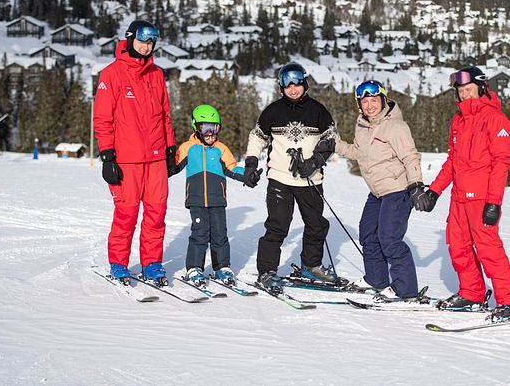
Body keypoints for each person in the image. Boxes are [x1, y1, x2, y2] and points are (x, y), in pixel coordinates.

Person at [423, 66, 510, 321]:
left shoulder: (495, 119)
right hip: (458, 198)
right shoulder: (458, 120)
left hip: (481, 199)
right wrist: (435, 191)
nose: (465, 95)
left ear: (481, 88)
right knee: (458, 247)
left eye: (468, 89)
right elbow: (452, 161)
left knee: (489, 249)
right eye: (460, 91)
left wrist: (494, 203)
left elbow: (501, 163)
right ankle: (472, 293)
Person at [93, 20, 177, 285]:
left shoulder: (156, 74)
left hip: (155, 159)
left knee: (156, 213)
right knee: (126, 213)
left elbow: (164, 115)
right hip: (126, 160)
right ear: (130, 40)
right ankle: (119, 263)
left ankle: (152, 263)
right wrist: (107, 156)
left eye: (150, 43)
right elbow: (102, 119)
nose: (146, 46)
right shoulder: (112, 74)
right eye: (142, 41)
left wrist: (170, 148)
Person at [244, 62, 336, 294]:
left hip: (311, 179)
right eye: (288, 84)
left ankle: (311, 266)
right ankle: (267, 271)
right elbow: (257, 137)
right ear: (281, 87)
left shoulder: (318, 111)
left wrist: (314, 161)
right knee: (277, 226)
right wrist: (251, 162)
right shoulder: (273, 111)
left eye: (298, 83)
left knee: (316, 225)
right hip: (280, 179)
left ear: (305, 84)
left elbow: (331, 138)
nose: (293, 89)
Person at [335, 80, 427, 302]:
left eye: (374, 100)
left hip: (398, 189)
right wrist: (335, 144)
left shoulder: (395, 126)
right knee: (367, 234)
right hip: (377, 192)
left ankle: (405, 290)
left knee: (390, 238)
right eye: (365, 102)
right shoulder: (363, 126)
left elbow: (410, 156)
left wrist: (416, 184)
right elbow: (358, 152)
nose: (369, 106)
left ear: (383, 100)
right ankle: (376, 279)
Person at [171, 105, 246, 287]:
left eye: (215, 127)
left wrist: (248, 174)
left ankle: (222, 266)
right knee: (200, 234)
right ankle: (194, 267)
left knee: (220, 234)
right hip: (196, 200)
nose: (211, 132)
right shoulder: (188, 148)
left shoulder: (221, 149)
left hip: (217, 199)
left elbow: (232, 167)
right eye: (206, 128)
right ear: (196, 126)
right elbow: (173, 166)